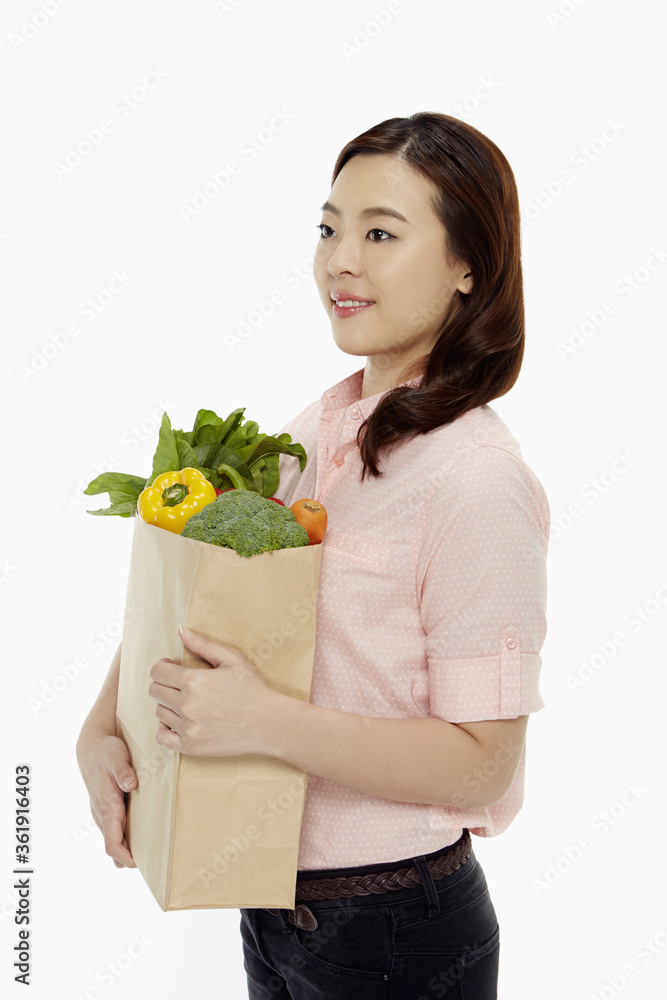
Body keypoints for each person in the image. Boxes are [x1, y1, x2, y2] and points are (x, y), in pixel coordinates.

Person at [76, 111, 550, 999]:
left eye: (380, 232)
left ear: (466, 266)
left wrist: (263, 723)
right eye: (328, 228)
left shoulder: (474, 477)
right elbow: (202, 592)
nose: (340, 259)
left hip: (401, 929)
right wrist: (101, 726)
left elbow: (485, 759)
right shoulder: (313, 433)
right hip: (274, 905)